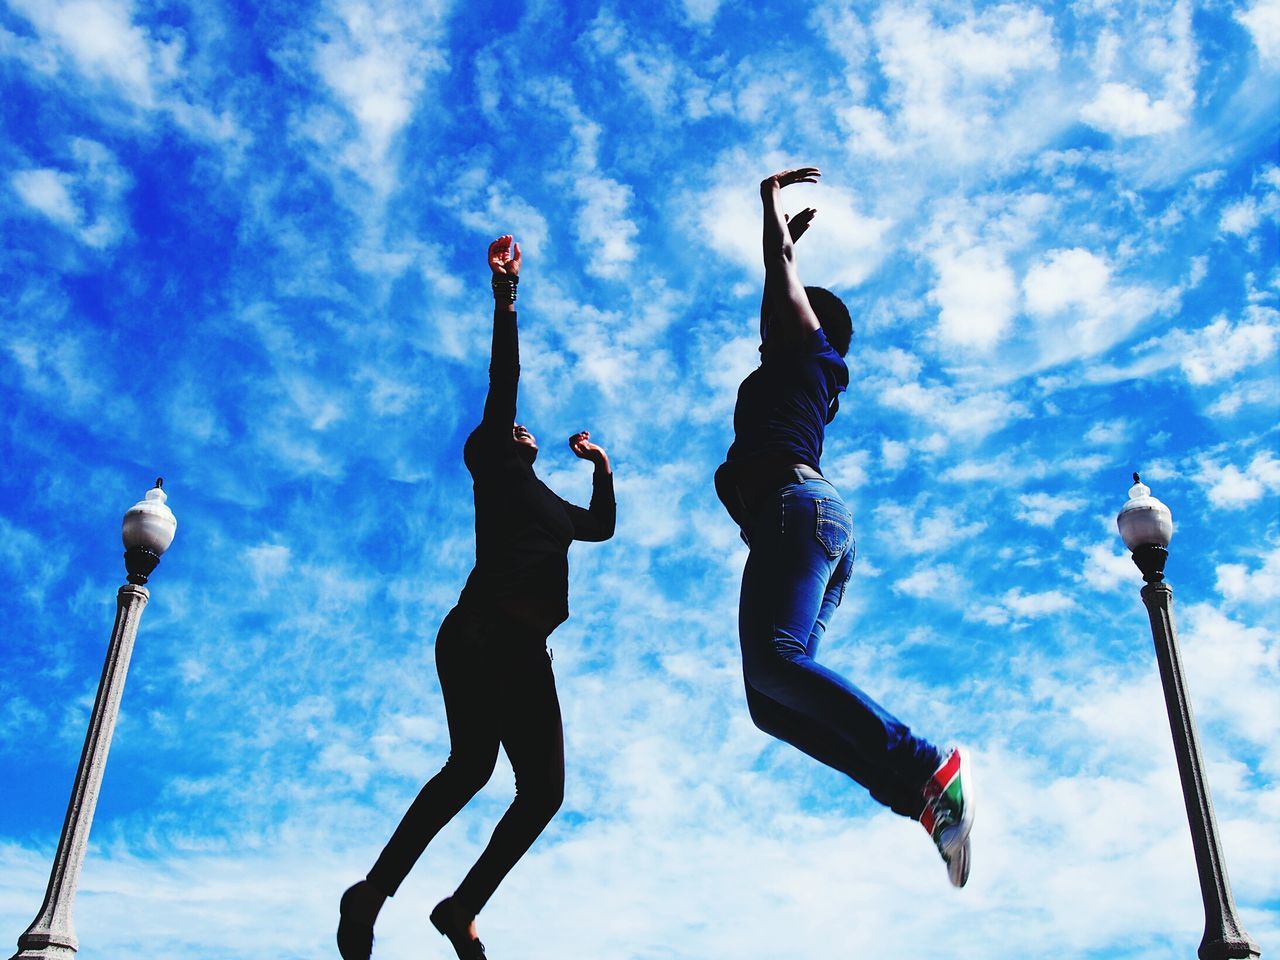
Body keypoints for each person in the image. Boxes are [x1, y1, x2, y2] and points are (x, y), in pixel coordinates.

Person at [338, 235, 617, 959]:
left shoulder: (552, 505)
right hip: (488, 634)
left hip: (505, 645)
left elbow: (601, 525)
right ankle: (408, 900)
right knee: (494, 775)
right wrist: (506, 297)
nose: (523, 428)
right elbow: (506, 376)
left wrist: (601, 466)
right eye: (510, 429)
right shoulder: (495, 467)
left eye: (522, 431)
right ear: (493, 447)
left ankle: (426, 903)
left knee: (517, 784)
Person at [713, 168, 975, 886]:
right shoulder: (795, 371)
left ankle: (926, 764)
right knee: (771, 700)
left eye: (781, 310)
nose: (767, 320)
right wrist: (787, 266)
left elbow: (778, 278)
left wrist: (770, 212)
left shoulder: (807, 350)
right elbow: (779, 285)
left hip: (803, 515)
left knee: (773, 662)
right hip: (809, 527)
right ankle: (919, 799)